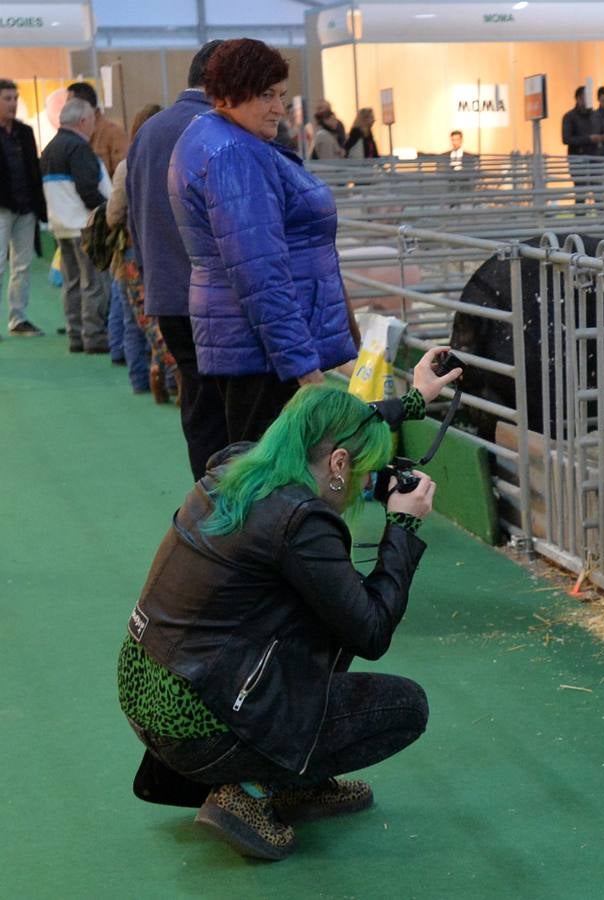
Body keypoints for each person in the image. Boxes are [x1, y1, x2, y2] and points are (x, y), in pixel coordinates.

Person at [117, 348, 462, 860]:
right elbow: (371, 631)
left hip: (149, 698)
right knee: (405, 708)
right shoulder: (301, 521)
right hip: (199, 728)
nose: (366, 484)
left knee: (326, 607)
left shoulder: (236, 467)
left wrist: (411, 402)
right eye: (365, 471)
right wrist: (402, 526)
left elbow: (316, 422)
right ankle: (254, 787)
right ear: (339, 463)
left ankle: (292, 774)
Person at [169, 38, 361, 447]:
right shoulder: (235, 153)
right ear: (229, 94)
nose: (279, 108)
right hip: (264, 357)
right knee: (274, 473)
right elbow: (260, 273)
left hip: (252, 346)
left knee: (251, 465)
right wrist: (303, 366)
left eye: (280, 95)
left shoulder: (215, 138)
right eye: (265, 95)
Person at [127, 40, 227, 478]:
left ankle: (205, 498)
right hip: (217, 297)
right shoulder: (219, 129)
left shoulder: (148, 131)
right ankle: (235, 505)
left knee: (198, 403)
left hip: (166, 293)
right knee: (234, 411)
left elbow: (133, 215)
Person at [108, 103, 173, 399]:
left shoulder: (127, 165)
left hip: (132, 251)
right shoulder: (173, 160)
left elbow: (113, 215)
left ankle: (140, 379)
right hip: (163, 251)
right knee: (163, 319)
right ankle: (171, 379)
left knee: (134, 319)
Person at [41, 95, 110, 353]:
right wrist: (108, 211)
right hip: (84, 226)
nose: (94, 124)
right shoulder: (79, 148)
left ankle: (76, 335)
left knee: (71, 283)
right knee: (93, 283)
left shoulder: (49, 149)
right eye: (92, 119)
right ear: (82, 121)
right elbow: (87, 189)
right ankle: (94, 335)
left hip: (61, 226)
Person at [0, 77, 47, 338]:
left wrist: (39, 206)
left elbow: (34, 171)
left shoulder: (25, 132)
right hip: (2, 209)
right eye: (7, 98)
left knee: (22, 265)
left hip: (26, 208)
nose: (13, 103)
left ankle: (18, 318)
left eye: (15, 98)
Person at [66, 81, 129, 176]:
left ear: (85, 105)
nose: (66, 110)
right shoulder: (71, 137)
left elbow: (123, 175)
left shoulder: (113, 133)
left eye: (70, 105)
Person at [561, 86, 594, 203]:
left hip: (594, 159)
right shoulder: (569, 117)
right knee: (581, 194)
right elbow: (566, 139)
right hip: (578, 160)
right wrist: (588, 139)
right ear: (579, 98)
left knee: (598, 193)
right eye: (586, 97)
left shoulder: (593, 115)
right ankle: (580, 214)